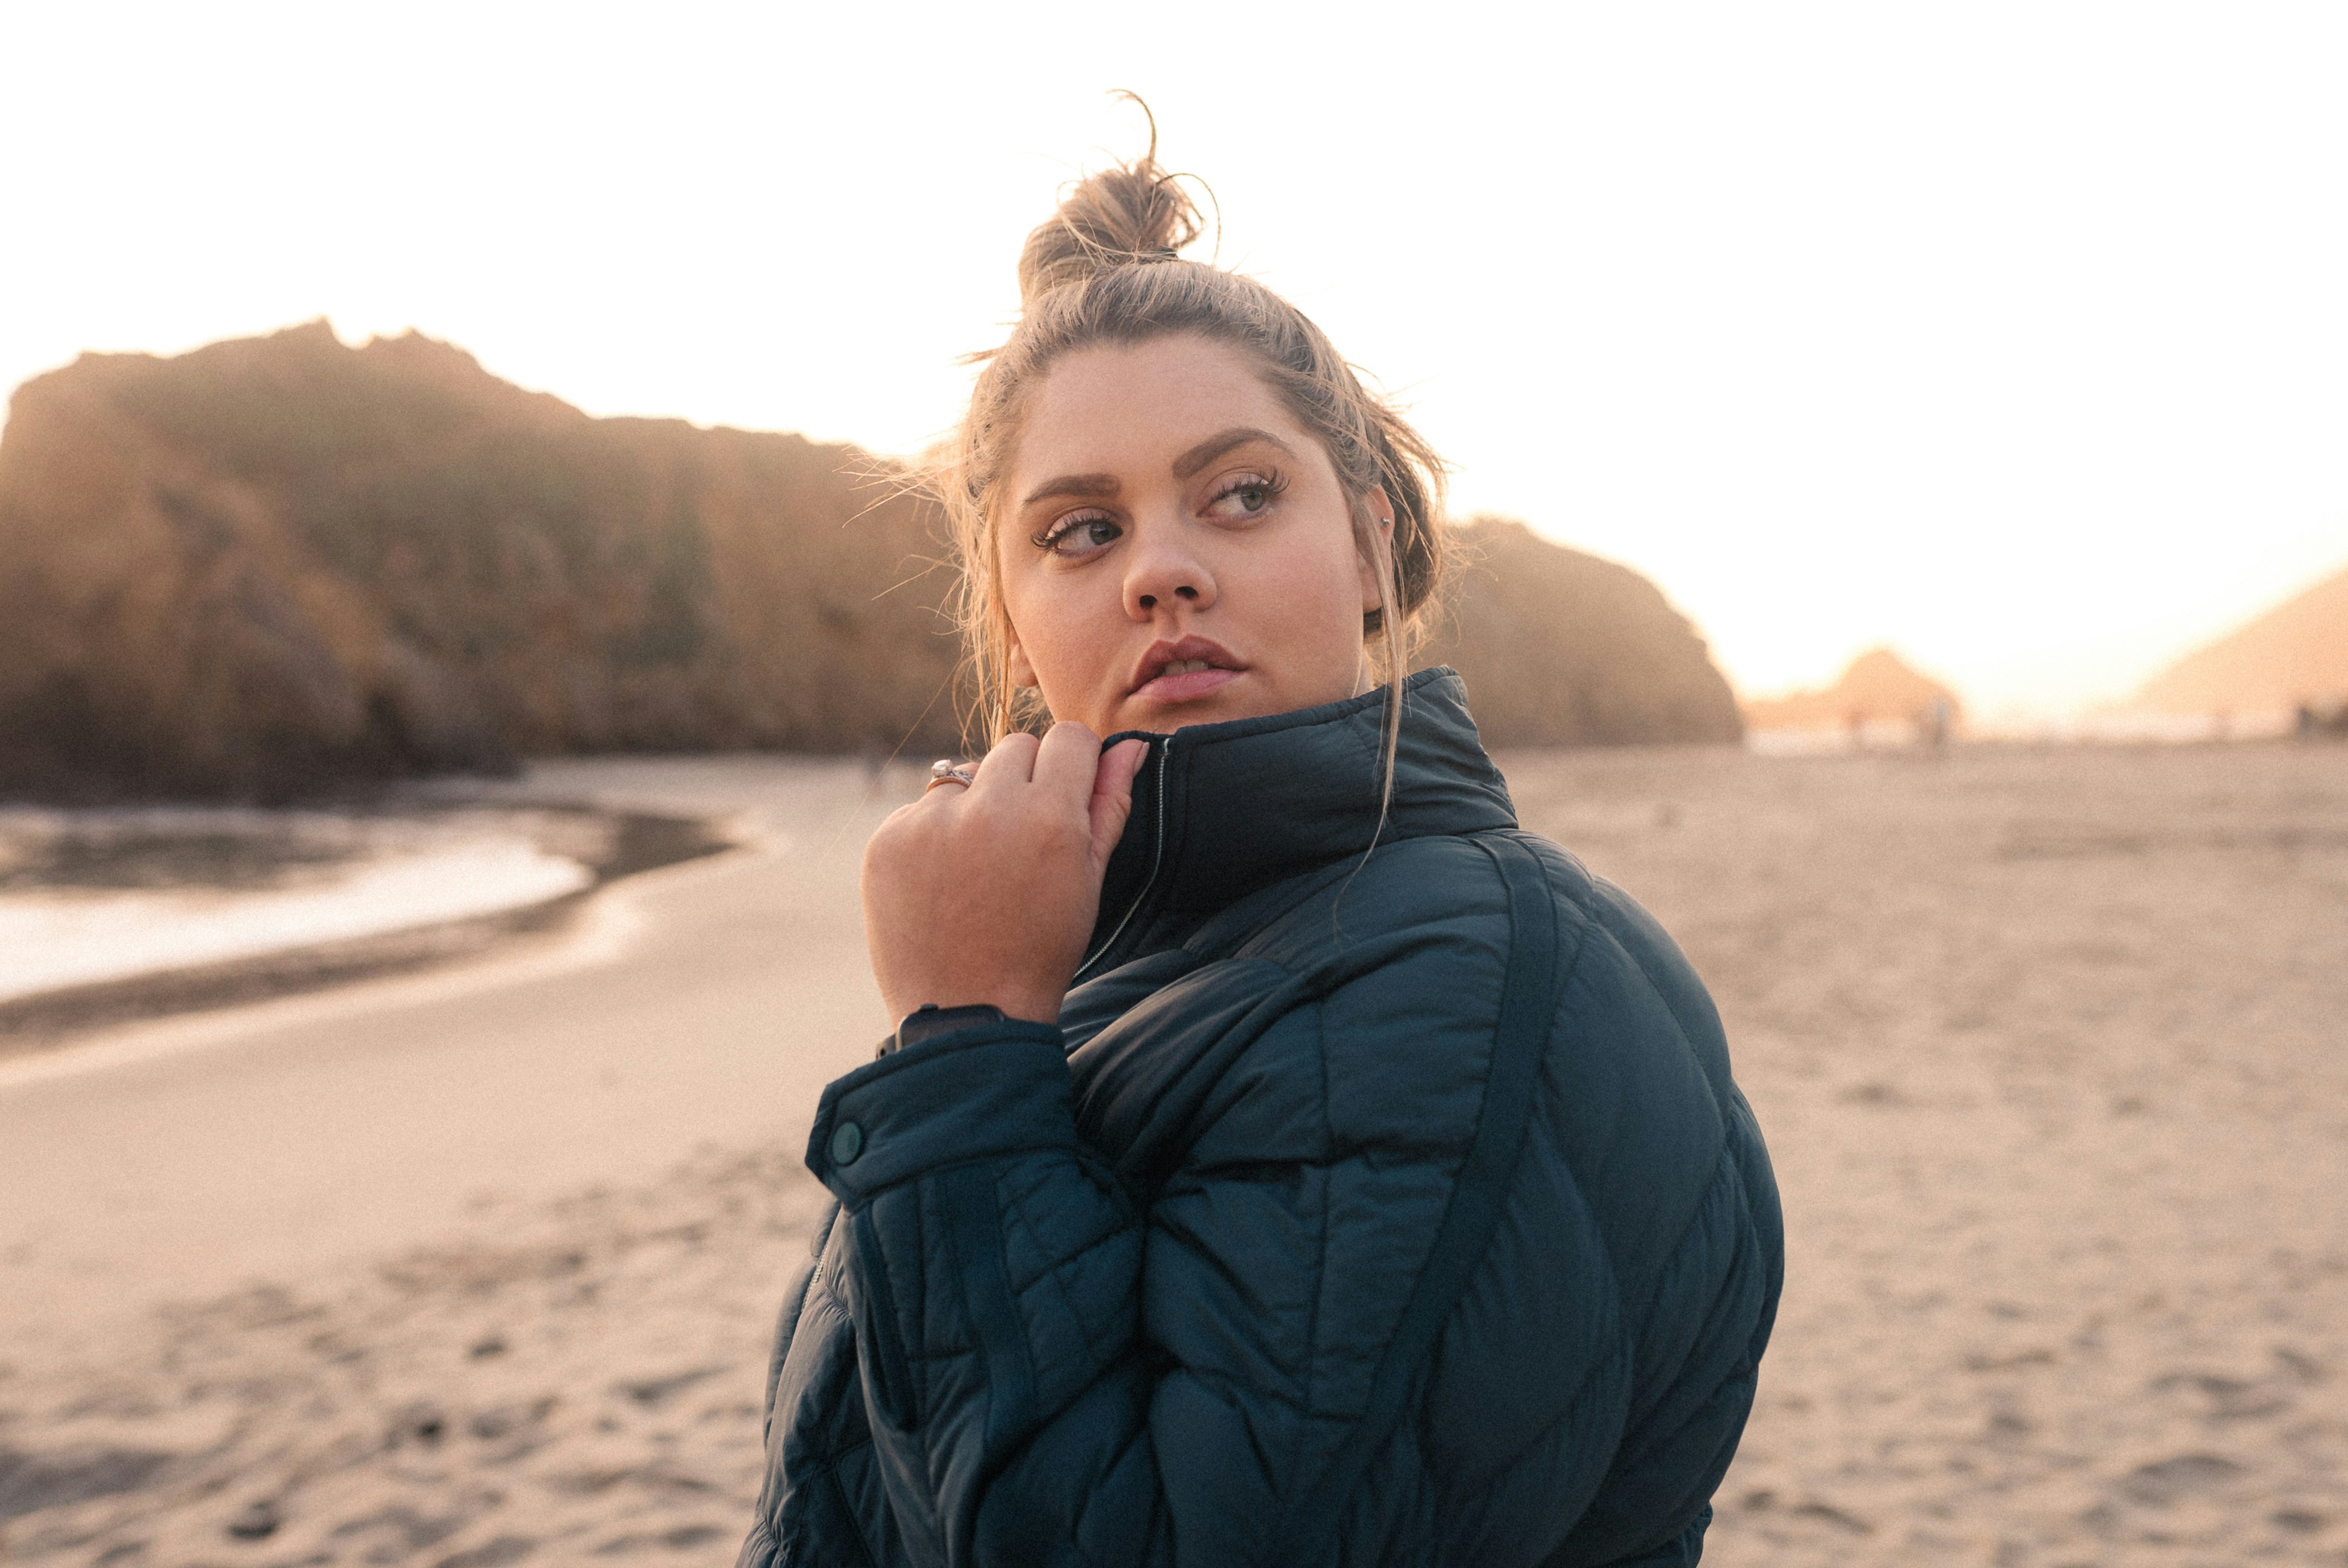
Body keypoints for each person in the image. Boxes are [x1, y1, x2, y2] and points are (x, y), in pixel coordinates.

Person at [739, 128, 1783, 1568]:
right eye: (1084, 529)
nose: (1162, 566)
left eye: (1239, 494)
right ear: (1013, 620)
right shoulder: (1138, 971)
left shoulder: (1469, 979)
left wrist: (961, 1045)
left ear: (1368, 544)